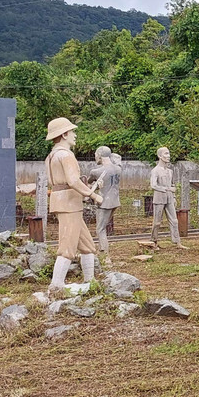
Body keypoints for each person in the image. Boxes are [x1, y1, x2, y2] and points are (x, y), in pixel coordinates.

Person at [44, 118, 104, 294]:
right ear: (64, 135)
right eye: (72, 132)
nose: (74, 135)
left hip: (63, 201)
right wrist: (92, 194)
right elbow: (72, 181)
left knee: (86, 244)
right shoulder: (66, 155)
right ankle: (56, 286)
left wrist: (85, 189)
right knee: (67, 245)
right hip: (69, 203)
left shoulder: (51, 156)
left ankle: (90, 281)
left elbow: (57, 182)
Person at [87, 145, 122, 258]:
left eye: (96, 155)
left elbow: (88, 184)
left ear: (100, 156)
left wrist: (95, 185)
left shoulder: (96, 171)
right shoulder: (118, 169)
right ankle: (102, 252)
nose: (95, 157)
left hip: (104, 203)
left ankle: (105, 256)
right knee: (103, 227)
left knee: (100, 229)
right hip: (115, 201)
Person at [150, 147, 187, 249]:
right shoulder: (155, 170)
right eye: (166, 154)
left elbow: (173, 185)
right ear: (160, 156)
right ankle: (154, 241)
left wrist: (174, 196)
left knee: (174, 220)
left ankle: (177, 242)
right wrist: (167, 189)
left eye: (169, 154)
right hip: (159, 198)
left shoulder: (170, 171)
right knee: (157, 222)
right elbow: (153, 185)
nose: (168, 156)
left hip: (169, 198)